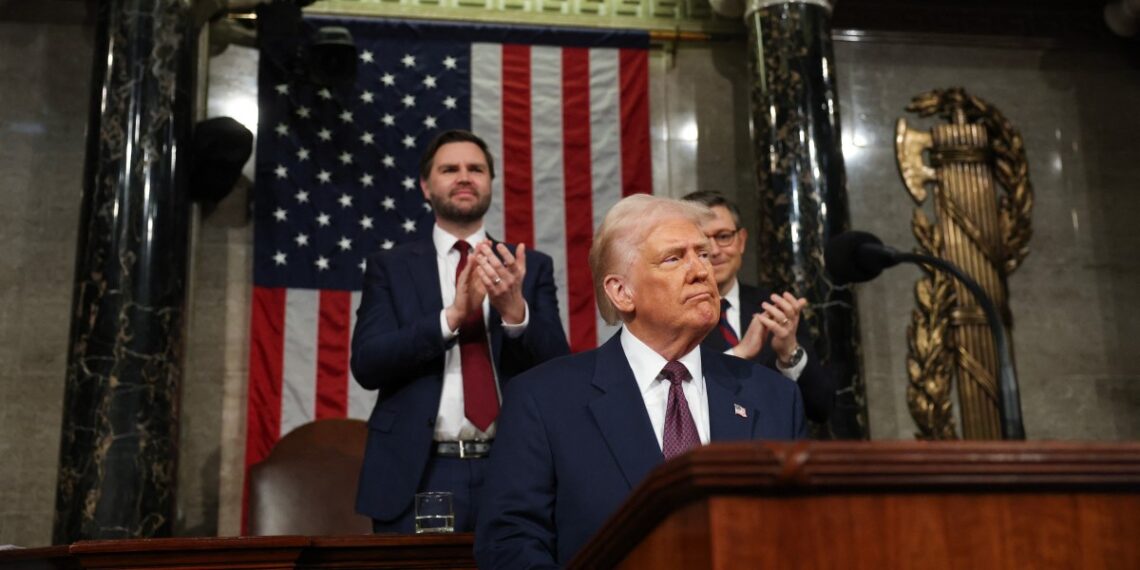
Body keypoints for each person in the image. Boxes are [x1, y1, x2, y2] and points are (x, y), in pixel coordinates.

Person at [475, 194, 805, 567]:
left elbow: (803, 534)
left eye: (704, 255)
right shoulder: (544, 400)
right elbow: (510, 541)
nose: (701, 271)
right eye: (674, 258)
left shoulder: (774, 396)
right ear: (621, 292)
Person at [350, 130, 570, 533]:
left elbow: (560, 368)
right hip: (420, 470)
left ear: (490, 182)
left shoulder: (528, 266)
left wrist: (514, 312)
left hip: (514, 465)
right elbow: (368, 363)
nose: (465, 177)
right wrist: (450, 317)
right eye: (450, 169)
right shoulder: (390, 267)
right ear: (425, 186)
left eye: (476, 169)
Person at [681, 190, 836, 424]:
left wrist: (789, 354)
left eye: (723, 236)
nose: (714, 251)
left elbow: (821, 408)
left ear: (741, 241)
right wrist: (739, 354)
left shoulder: (775, 308)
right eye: (702, 242)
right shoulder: (670, 315)